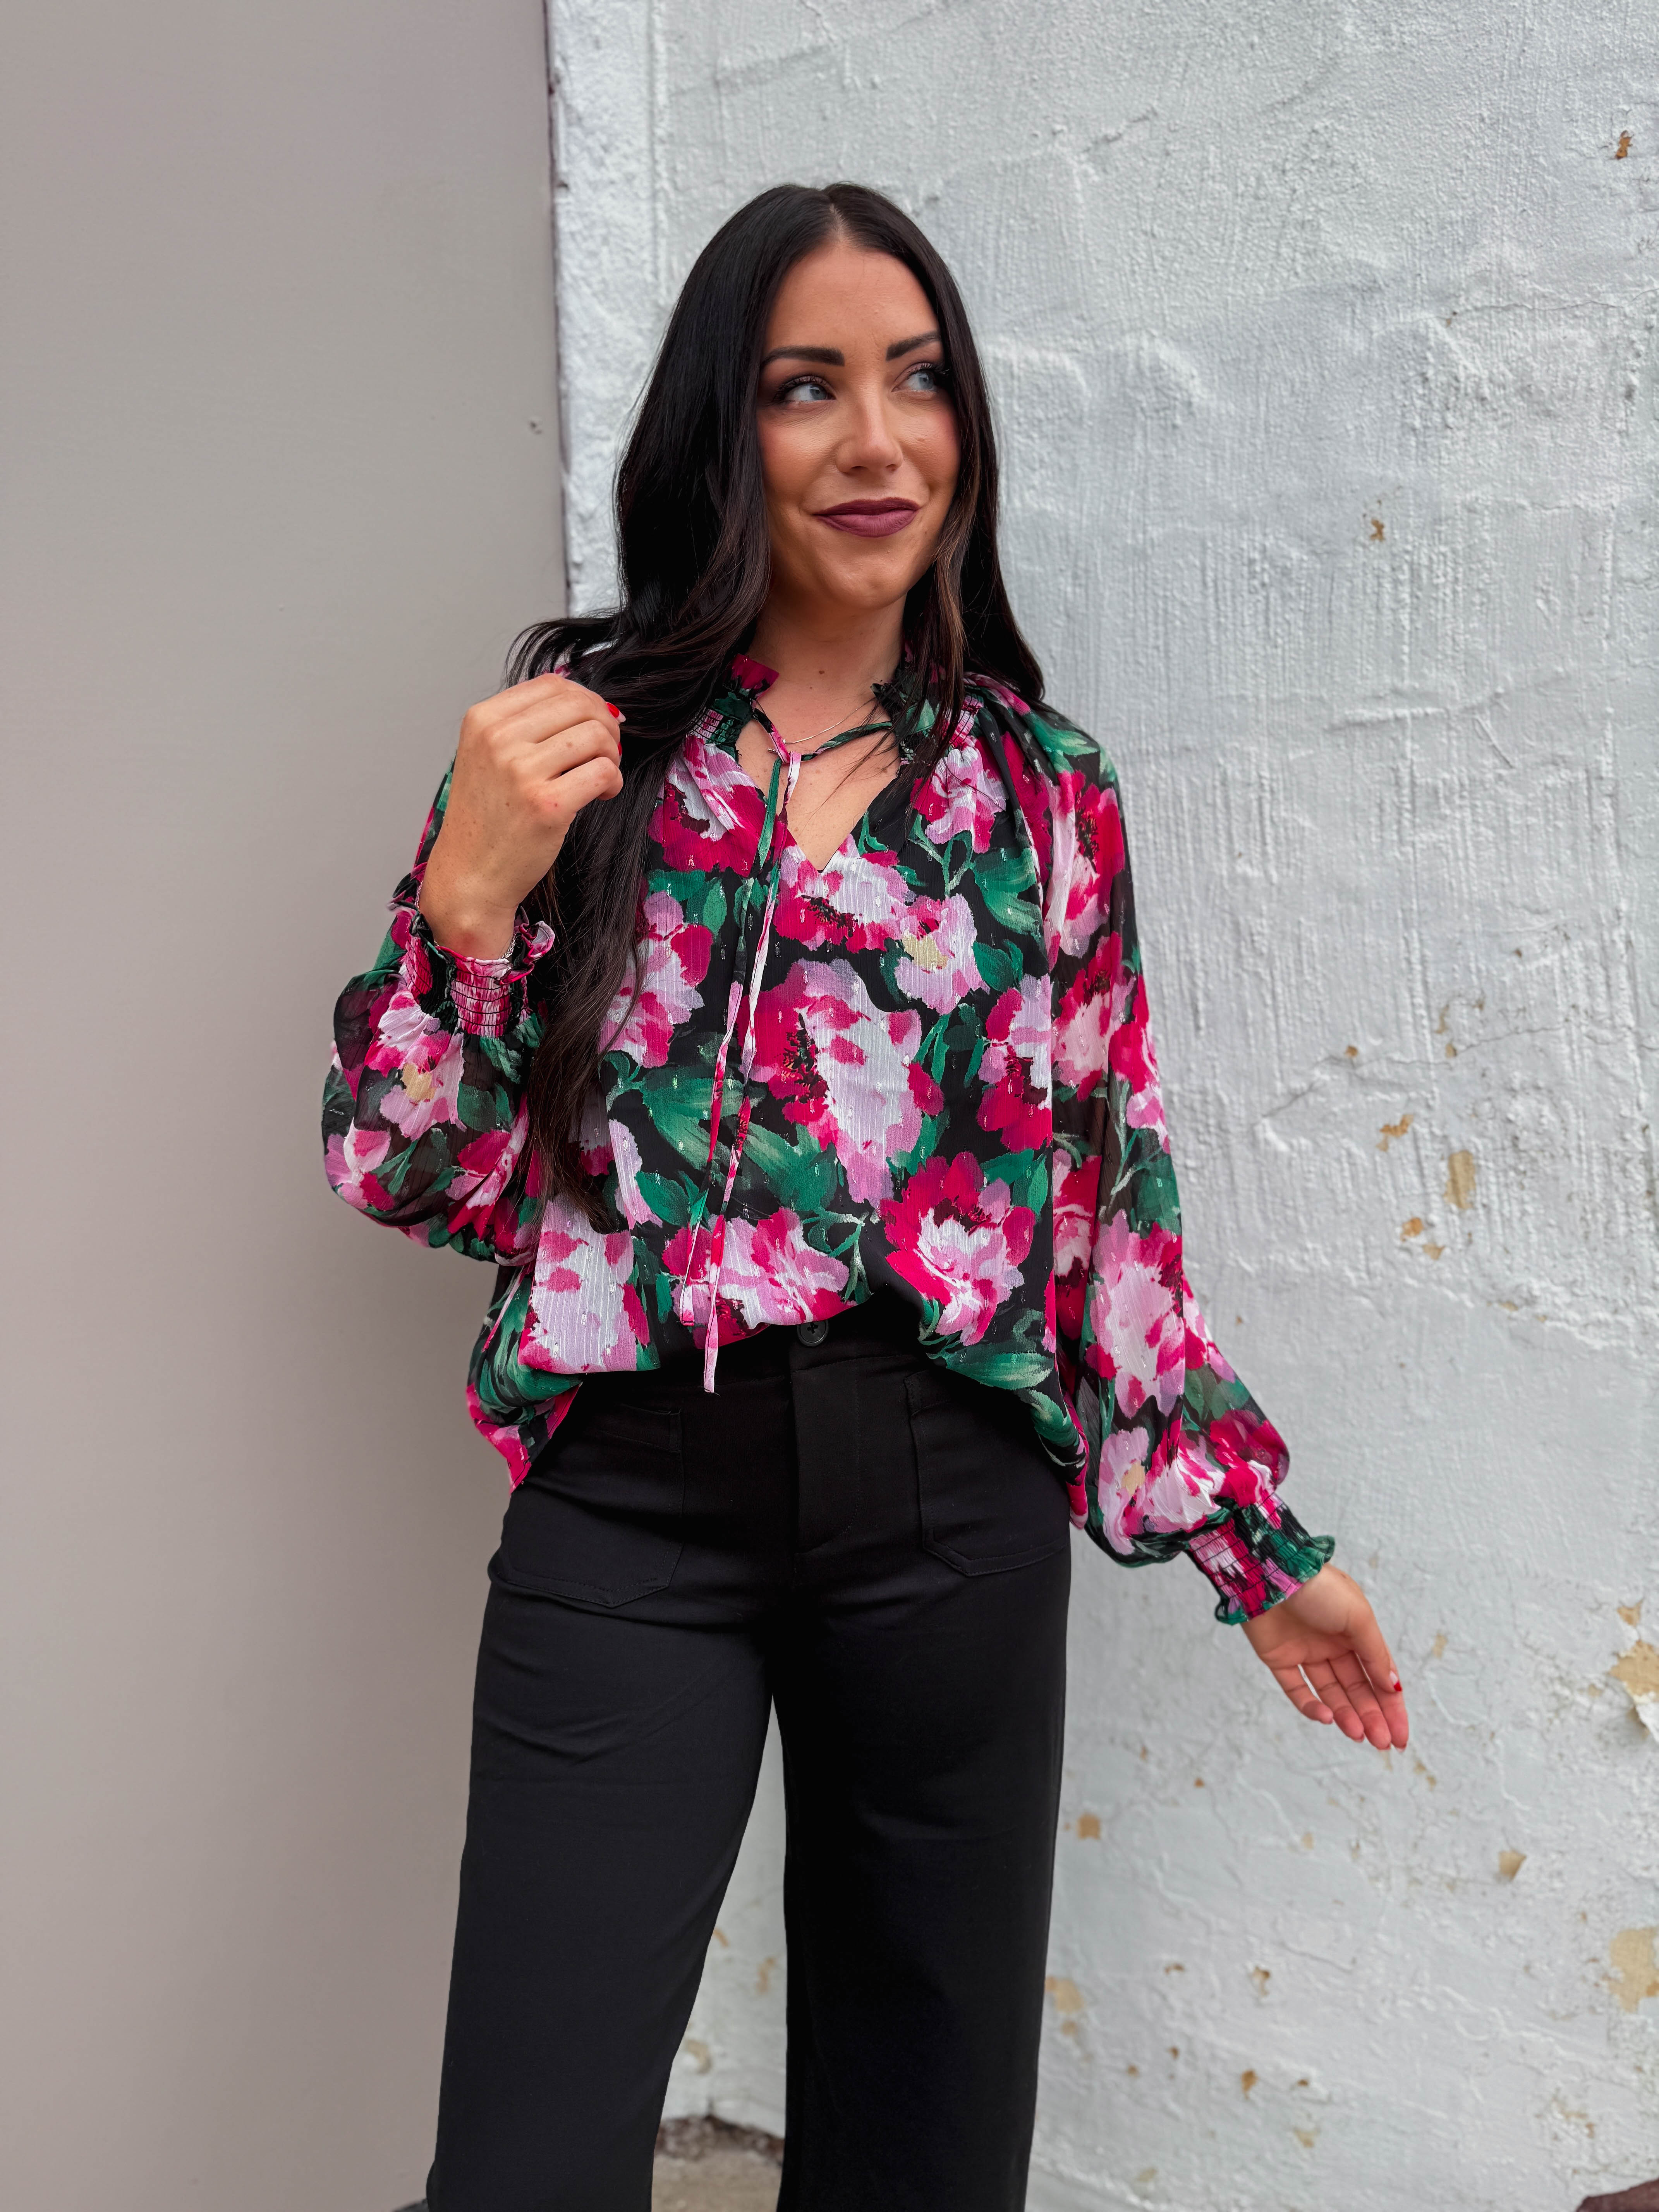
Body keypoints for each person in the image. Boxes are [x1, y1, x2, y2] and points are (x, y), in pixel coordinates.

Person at [324, 180, 1409, 2212]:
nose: (876, 439)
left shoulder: (1043, 791)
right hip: (631, 1498)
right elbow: (420, 1174)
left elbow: (1103, 1217)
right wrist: (463, 902)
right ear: (720, 429)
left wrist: (1257, 1547)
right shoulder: (577, 753)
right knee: (523, 2166)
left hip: (946, 1512)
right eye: (805, 386)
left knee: (928, 2160)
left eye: (916, 381)